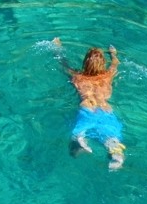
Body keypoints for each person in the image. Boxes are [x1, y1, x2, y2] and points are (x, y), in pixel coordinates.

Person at [51, 38, 126, 171]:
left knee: (78, 132)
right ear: (102, 64)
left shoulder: (78, 77)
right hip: (105, 109)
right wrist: (113, 53)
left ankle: (81, 141)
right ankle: (116, 156)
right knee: (111, 138)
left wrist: (57, 47)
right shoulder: (108, 76)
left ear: (85, 63)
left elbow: (63, 63)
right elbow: (115, 64)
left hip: (87, 107)